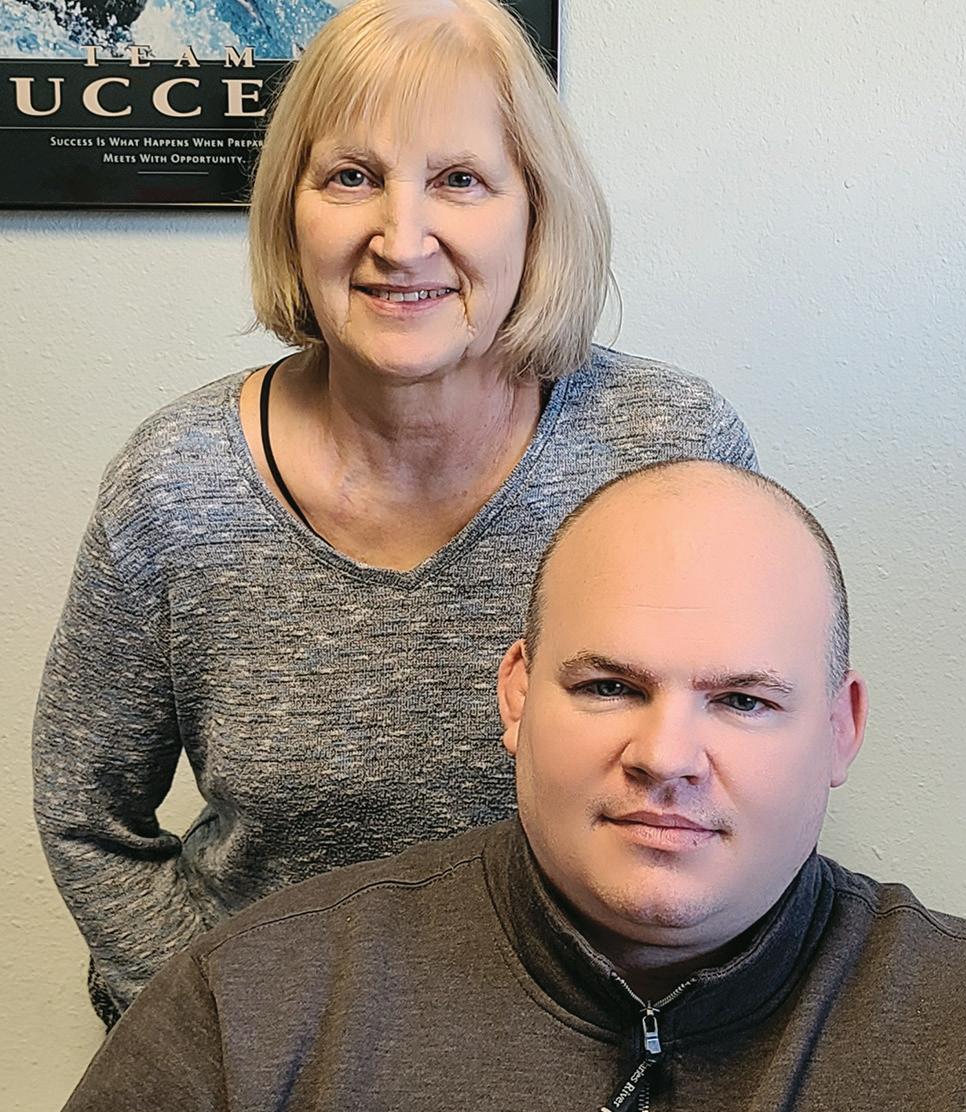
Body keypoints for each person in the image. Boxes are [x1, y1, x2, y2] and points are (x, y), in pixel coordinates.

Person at [32, 0, 757, 1025]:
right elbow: (85, 813)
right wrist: (227, 1031)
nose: (401, 238)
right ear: (291, 209)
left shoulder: (666, 447)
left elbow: (749, 766)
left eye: (459, 179)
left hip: (589, 1036)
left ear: (536, 211)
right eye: (351, 177)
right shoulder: (177, 483)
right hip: (263, 1041)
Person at [60, 460, 966, 1111]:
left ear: (841, 729)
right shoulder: (249, 1012)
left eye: (742, 701)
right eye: (609, 687)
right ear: (516, 695)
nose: (666, 757)